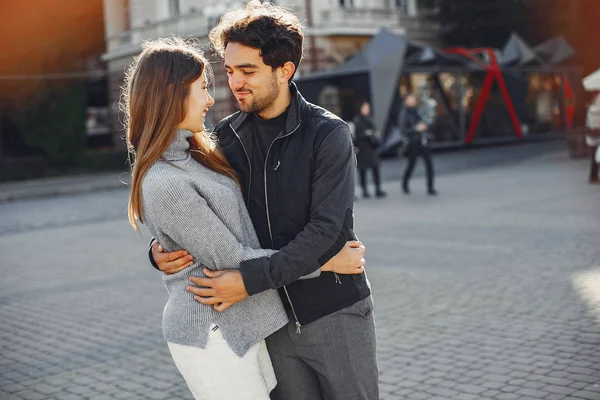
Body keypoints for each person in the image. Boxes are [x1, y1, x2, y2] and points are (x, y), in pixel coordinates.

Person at [149, 2, 379, 399]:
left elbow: (324, 231)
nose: (234, 82)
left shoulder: (328, 135)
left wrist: (248, 281)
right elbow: (190, 206)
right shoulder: (223, 138)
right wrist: (159, 250)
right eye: (230, 70)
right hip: (269, 324)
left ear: (284, 70)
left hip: (334, 311)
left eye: (248, 71)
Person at [398, 94, 437, 195]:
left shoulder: (417, 111)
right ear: (405, 101)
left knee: (429, 164)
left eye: (413, 98)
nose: (412, 100)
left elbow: (426, 121)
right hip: (413, 142)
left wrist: (425, 126)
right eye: (410, 98)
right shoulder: (404, 113)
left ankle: (430, 188)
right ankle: (405, 184)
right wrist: (415, 129)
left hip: (423, 141)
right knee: (411, 165)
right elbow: (403, 130)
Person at [353, 101, 386, 198]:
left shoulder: (369, 119)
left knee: (375, 168)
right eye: (365, 107)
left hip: (371, 147)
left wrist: (374, 134)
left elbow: (375, 131)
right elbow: (357, 135)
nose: (367, 109)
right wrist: (365, 134)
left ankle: (378, 188)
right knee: (363, 170)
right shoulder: (357, 121)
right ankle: (365, 190)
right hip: (363, 148)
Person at [586, 93, 600, 184]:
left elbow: (588, 122)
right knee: (596, 158)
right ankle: (593, 177)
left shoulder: (591, 108)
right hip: (597, 136)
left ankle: (593, 176)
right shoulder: (597, 110)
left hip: (592, 136)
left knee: (595, 158)